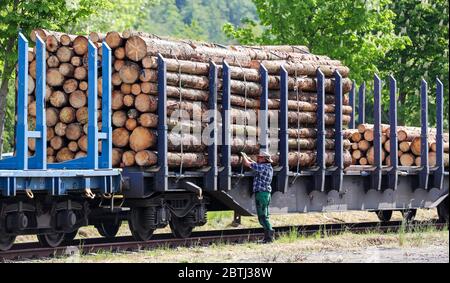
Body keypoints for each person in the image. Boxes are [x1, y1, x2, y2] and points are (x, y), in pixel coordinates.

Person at [241, 151, 275, 243]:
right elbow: (254, 164)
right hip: (265, 194)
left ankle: (269, 237)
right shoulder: (268, 167)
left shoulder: (262, 167)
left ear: (264, 159)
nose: (258, 158)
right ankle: (268, 237)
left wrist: (243, 156)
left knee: (263, 216)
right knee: (265, 215)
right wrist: (248, 158)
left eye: (260, 157)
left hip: (261, 194)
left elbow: (248, 164)